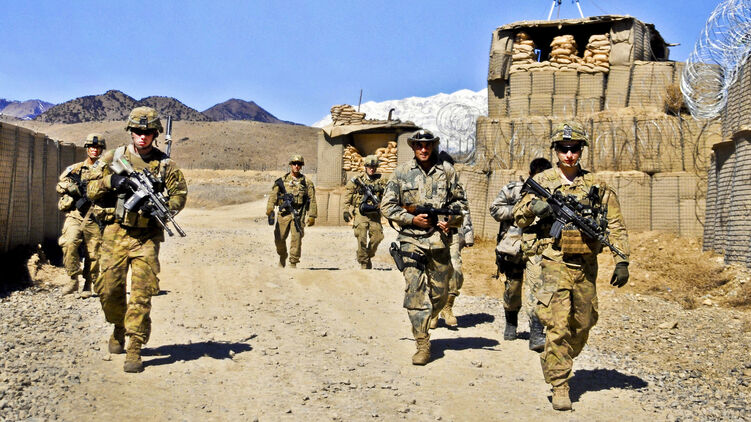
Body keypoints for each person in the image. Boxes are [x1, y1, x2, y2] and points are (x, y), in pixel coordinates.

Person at [512, 121, 630, 411]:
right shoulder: (543, 181)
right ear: (555, 151)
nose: (569, 154)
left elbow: (615, 224)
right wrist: (534, 208)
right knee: (557, 325)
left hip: (586, 265)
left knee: (584, 323)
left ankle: (558, 358)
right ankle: (560, 383)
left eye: (574, 149)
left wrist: (622, 259)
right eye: (563, 149)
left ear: (581, 150)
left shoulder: (597, 186)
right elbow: (518, 217)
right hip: (554, 263)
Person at [87, 106, 188, 373]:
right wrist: (111, 182)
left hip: (147, 236)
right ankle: (118, 326)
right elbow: (90, 189)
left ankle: (134, 346)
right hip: (115, 232)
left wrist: (162, 208)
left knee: (142, 293)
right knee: (109, 290)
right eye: (138, 131)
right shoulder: (112, 157)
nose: (143, 137)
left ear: (155, 134)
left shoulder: (165, 164)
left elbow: (179, 195)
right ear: (130, 132)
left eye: (148, 132)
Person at [381, 129, 468, 365]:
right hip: (410, 240)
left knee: (440, 294)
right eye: (419, 145)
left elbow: (461, 203)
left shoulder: (447, 172)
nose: (423, 149)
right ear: (413, 147)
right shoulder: (401, 172)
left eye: (427, 145)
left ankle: (427, 317)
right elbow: (387, 206)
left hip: (439, 241)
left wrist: (450, 220)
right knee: (415, 291)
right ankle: (422, 342)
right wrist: (411, 219)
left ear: (433, 146)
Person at [489, 157, 552, 350]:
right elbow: (495, 209)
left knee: (537, 289)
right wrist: (521, 210)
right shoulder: (514, 190)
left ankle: (536, 332)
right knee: (513, 289)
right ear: (531, 175)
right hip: (513, 247)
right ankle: (511, 322)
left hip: (537, 249)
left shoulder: (554, 194)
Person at [56, 133, 108, 298]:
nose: (94, 150)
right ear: (87, 148)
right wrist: (71, 187)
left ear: (102, 149)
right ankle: (73, 279)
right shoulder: (76, 168)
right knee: (69, 242)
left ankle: (88, 283)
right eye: (91, 147)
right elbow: (60, 184)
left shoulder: (107, 170)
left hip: (95, 216)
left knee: (94, 253)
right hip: (76, 214)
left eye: (97, 147)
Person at [430, 152, 474, 328]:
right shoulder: (429, 185)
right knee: (434, 273)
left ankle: (448, 306)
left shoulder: (457, 187)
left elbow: (465, 211)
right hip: (433, 234)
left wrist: (468, 236)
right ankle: (434, 311)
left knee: (456, 271)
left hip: (453, 235)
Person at [266, 155, 317, 268]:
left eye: (299, 164)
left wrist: (312, 216)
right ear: (291, 165)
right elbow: (273, 196)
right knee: (279, 239)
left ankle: (293, 262)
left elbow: (312, 199)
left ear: (302, 166)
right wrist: (270, 209)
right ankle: (282, 255)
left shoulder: (307, 183)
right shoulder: (282, 181)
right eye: (294, 164)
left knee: (296, 239)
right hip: (284, 214)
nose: (296, 166)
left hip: (298, 214)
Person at [342, 155, 387, 269]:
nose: (372, 169)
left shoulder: (381, 180)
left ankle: (368, 255)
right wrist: (346, 210)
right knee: (361, 237)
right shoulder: (357, 179)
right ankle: (364, 263)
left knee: (378, 237)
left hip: (375, 212)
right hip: (360, 211)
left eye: (374, 166)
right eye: (369, 166)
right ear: (365, 167)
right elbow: (348, 195)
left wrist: (381, 191)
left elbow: (389, 194)